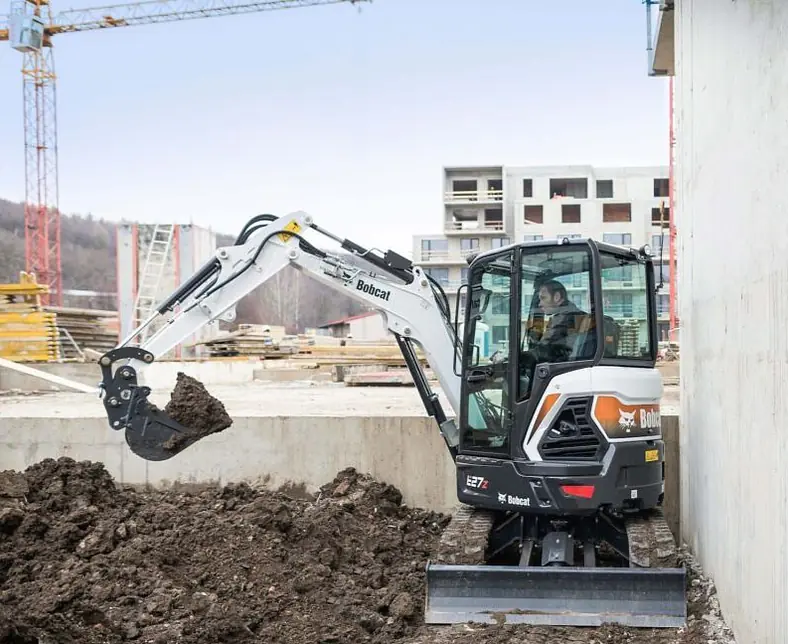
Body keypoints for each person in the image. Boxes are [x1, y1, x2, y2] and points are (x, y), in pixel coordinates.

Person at [528, 279, 586, 362]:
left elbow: (543, 350)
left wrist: (518, 357)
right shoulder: (573, 314)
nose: (539, 304)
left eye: (543, 298)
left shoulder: (565, 319)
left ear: (557, 297)